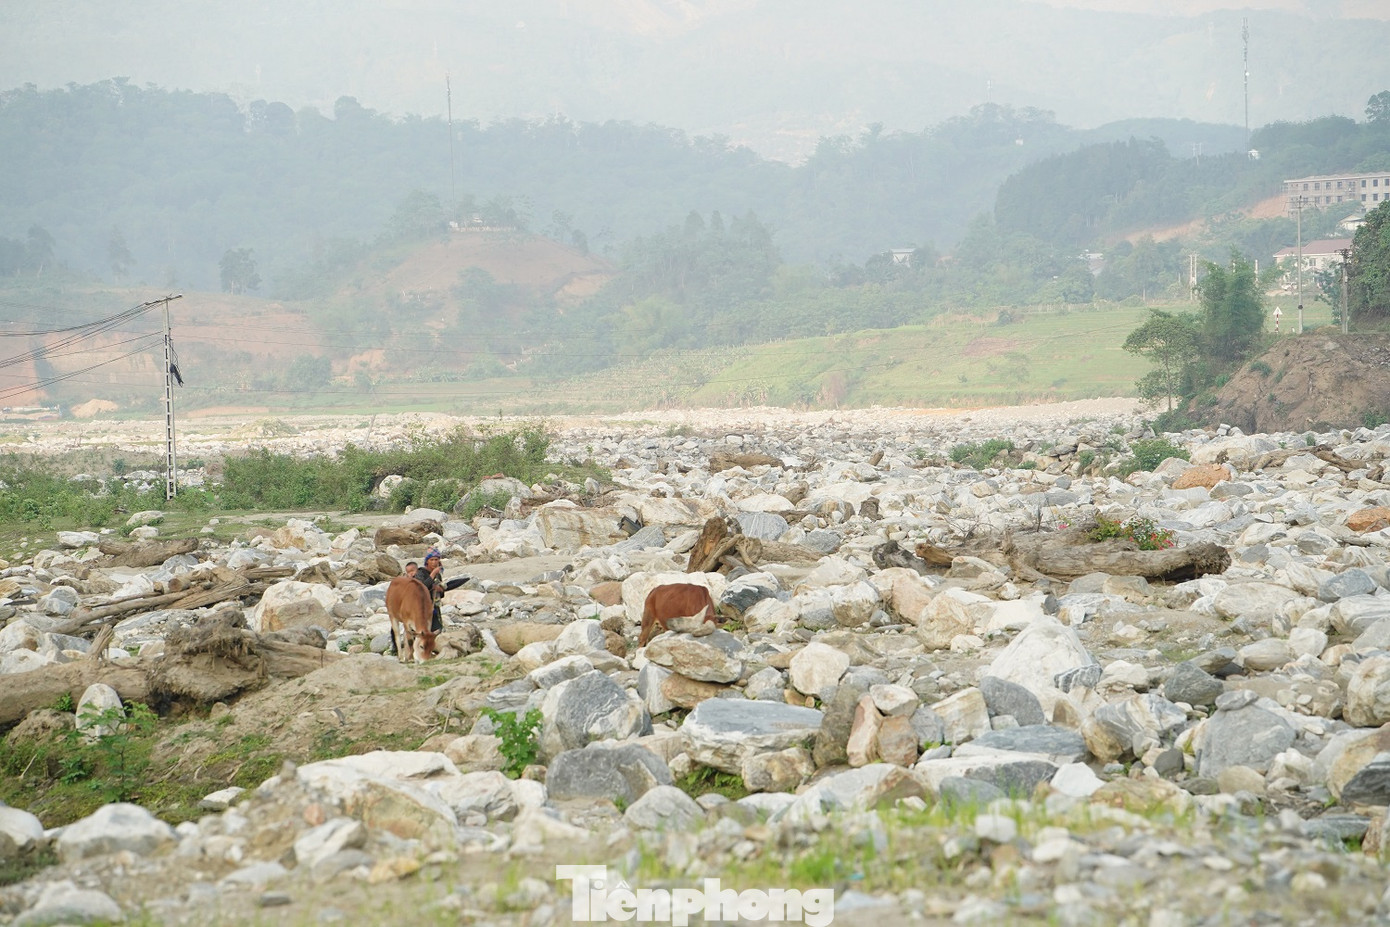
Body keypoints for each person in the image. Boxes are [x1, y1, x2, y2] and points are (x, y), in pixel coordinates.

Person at [416, 549, 445, 633]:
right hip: (422, 607)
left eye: (436, 560)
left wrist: (440, 590)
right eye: (431, 560)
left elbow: (441, 595)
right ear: (427, 561)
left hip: (434, 606)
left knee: (437, 630)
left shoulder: (438, 575)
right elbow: (421, 588)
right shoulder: (420, 573)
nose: (434, 562)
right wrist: (432, 575)